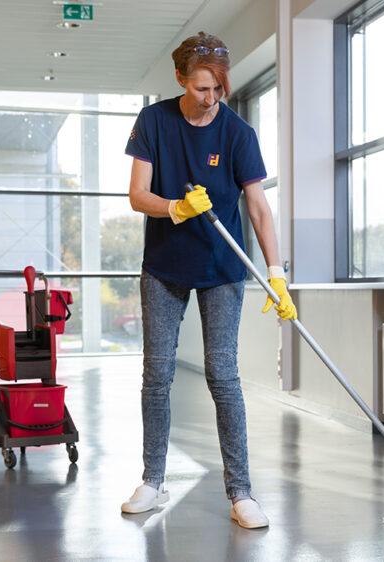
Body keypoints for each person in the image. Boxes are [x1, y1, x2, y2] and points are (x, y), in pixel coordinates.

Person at [120, 32, 296, 530]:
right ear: (180, 80)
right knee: (158, 373)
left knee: (222, 373)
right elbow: (137, 195)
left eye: (218, 89)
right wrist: (174, 207)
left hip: (222, 268)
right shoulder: (154, 121)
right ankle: (153, 480)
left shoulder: (238, 132)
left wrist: (277, 275)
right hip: (164, 267)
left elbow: (258, 208)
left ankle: (240, 492)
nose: (211, 99)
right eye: (201, 89)